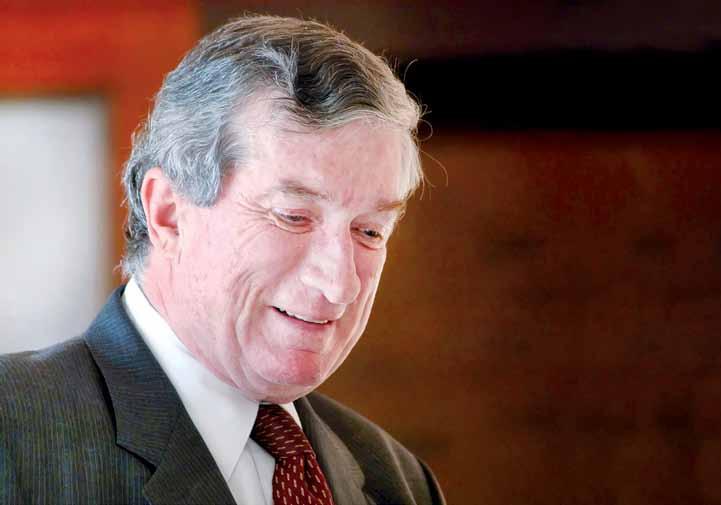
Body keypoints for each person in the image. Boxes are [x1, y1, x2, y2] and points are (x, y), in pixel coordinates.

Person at [0, 15, 444, 505]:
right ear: (169, 213)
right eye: (293, 217)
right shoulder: (12, 435)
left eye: (370, 231)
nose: (340, 284)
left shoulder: (399, 481)